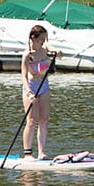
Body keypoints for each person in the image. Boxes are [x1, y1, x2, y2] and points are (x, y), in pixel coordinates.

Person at [21, 25, 62, 160]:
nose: (43, 41)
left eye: (45, 38)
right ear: (33, 38)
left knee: (44, 120)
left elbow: (53, 49)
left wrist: (58, 52)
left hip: (44, 86)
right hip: (32, 87)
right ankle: (28, 154)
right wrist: (29, 93)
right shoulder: (27, 55)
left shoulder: (45, 48)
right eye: (41, 39)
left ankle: (42, 153)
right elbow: (24, 77)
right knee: (32, 121)